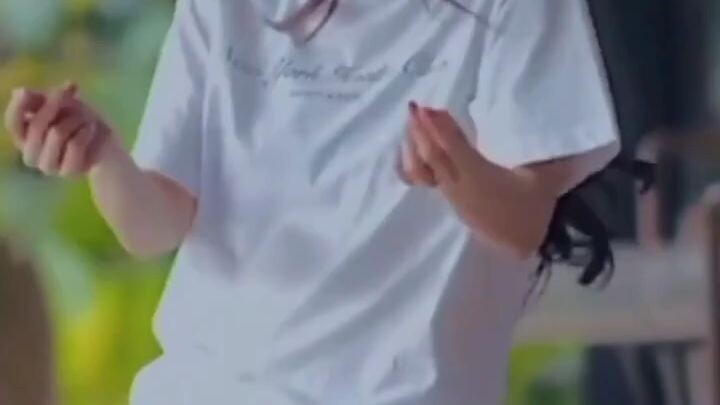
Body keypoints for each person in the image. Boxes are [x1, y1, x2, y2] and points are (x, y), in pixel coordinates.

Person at [3, 0, 650, 403]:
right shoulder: (221, 8)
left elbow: (523, 222)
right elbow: (154, 226)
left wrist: (462, 174)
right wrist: (104, 156)